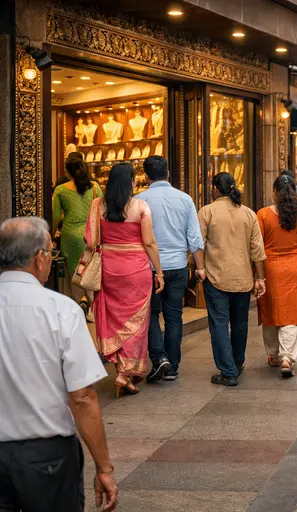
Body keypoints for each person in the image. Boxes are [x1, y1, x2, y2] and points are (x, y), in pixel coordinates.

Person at [0, 217, 118, 512]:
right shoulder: (61, 310)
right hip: (46, 456)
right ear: (39, 259)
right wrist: (103, 467)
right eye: (51, 254)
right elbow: (82, 397)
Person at [87, 163, 164, 397]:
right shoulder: (140, 207)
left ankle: (120, 369)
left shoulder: (96, 206)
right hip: (136, 270)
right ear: (130, 182)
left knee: (114, 319)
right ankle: (125, 373)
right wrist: (159, 273)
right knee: (137, 322)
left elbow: (89, 241)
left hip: (109, 269)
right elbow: (149, 242)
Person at [136, 156, 206, 383]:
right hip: (177, 265)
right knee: (174, 316)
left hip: (148, 268)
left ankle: (160, 358)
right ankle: (172, 366)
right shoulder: (185, 200)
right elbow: (195, 239)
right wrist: (200, 268)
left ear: (146, 176)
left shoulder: (139, 200)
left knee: (151, 315)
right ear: (168, 172)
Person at [199, 172, 267, 386]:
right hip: (242, 277)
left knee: (219, 323)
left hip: (216, 275)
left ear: (215, 189)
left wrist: (199, 269)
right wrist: (261, 278)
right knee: (239, 323)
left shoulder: (206, 212)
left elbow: (198, 244)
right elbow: (258, 250)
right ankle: (237, 363)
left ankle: (227, 370)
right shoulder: (248, 214)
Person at [257, 175, 297, 377]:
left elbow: (256, 246)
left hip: (270, 270)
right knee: (292, 314)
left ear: (274, 192)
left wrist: (255, 274)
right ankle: (287, 357)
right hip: (296, 270)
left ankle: (274, 355)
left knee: (270, 312)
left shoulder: (264, 215)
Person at [53, 156, 102, 314]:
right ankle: (90, 301)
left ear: (67, 172)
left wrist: (51, 234)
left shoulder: (60, 190)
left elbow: (55, 217)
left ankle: (79, 299)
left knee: (73, 269)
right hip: (91, 234)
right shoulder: (94, 187)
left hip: (70, 236)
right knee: (91, 266)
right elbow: (102, 211)